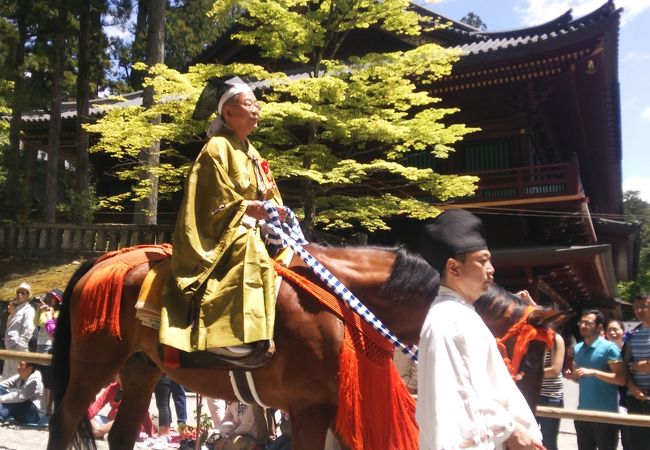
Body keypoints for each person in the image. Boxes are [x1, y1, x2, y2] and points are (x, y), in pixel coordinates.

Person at [162, 76, 284, 356]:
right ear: (228, 112)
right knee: (248, 250)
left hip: (258, 226)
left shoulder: (253, 153)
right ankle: (232, 334)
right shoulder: (216, 147)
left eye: (256, 104)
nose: (256, 109)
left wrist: (276, 210)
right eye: (248, 104)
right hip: (225, 231)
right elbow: (209, 200)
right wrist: (246, 208)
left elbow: (270, 190)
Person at [415, 209, 542, 450]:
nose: (491, 269)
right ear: (453, 268)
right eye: (482, 261)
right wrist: (512, 430)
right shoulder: (447, 320)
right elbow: (458, 405)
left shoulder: (463, 315)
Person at [564, 309, 625, 450]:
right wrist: (573, 376)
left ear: (599, 327)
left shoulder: (610, 348)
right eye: (581, 322)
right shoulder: (578, 348)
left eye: (588, 323)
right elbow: (583, 378)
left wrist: (594, 372)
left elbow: (621, 379)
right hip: (583, 414)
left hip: (606, 414)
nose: (583, 326)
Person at [622, 293, 650, 450]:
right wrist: (633, 389)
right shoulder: (632, 335)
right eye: (637, 306)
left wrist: (636, 366)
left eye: (644, 306)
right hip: (636, 397)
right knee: (638, 443)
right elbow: (624, 366)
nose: (640, 310)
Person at [87, 376, 154, 440]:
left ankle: (97, 432)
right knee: (92, 417)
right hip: (109, 420)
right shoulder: (112, 387)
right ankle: (100, 432)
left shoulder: (135, 391)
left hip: (126, 425)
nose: (115, 375)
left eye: (118, 373)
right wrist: (87, 416)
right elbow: (98, 404)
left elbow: (144, 412)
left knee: (120, 420)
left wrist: (151, 432)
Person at [535, 329, 565, 450]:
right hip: (532, 395)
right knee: (530, 436)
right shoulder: (531, 338)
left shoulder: (556, 339)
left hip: (550, 396)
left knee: (549, 440)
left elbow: (555, 370)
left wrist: (530, 374)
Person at [605, 318, 631, 450]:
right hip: (607, 400)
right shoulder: (603, 350)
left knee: (629, 440)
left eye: (616, 329)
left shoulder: (629, 349)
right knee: (607, 441)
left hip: (627, 400)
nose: (612, 332)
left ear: (623, 331)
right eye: (609, 329)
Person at [2, 283, 36, 379]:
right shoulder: (16, 310)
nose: (19, 295)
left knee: (16, 377)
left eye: (23, 293)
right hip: (10, 348)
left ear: (28, 295)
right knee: (7, 376)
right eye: (18, 292)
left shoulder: (28, 310)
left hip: (18, 349)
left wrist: (19, 345)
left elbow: (29, 328)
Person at [153, 374, 188, 442]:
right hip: (177, 371)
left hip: (164, 371)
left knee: (163, 404)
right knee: (180, 399)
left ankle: (163, 434)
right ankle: (182, 430)